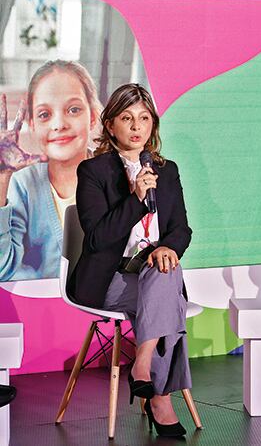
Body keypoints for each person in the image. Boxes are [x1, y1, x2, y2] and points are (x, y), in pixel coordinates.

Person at [71, 84, 192, 437]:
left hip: (153, 274)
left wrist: (168, 247)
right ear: (110, 125)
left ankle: (141, 365)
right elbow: (96, 239)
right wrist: (136, 198)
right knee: (171, 302)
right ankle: (160, 398)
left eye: (144, 118)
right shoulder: (93, 172)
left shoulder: (166, 170)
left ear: (152, 125)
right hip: (111, 279)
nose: (136, 127)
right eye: (127, 118)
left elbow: (181, 229)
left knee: (166, 269)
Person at [1, 60, 103, 281]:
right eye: (44, 115)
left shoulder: (116, 175)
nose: (59, 124)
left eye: (73, 110)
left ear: (93, 116)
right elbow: (2, 268)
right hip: (42, 313)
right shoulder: (22, 184)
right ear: (33, 124)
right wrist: (2, 179)